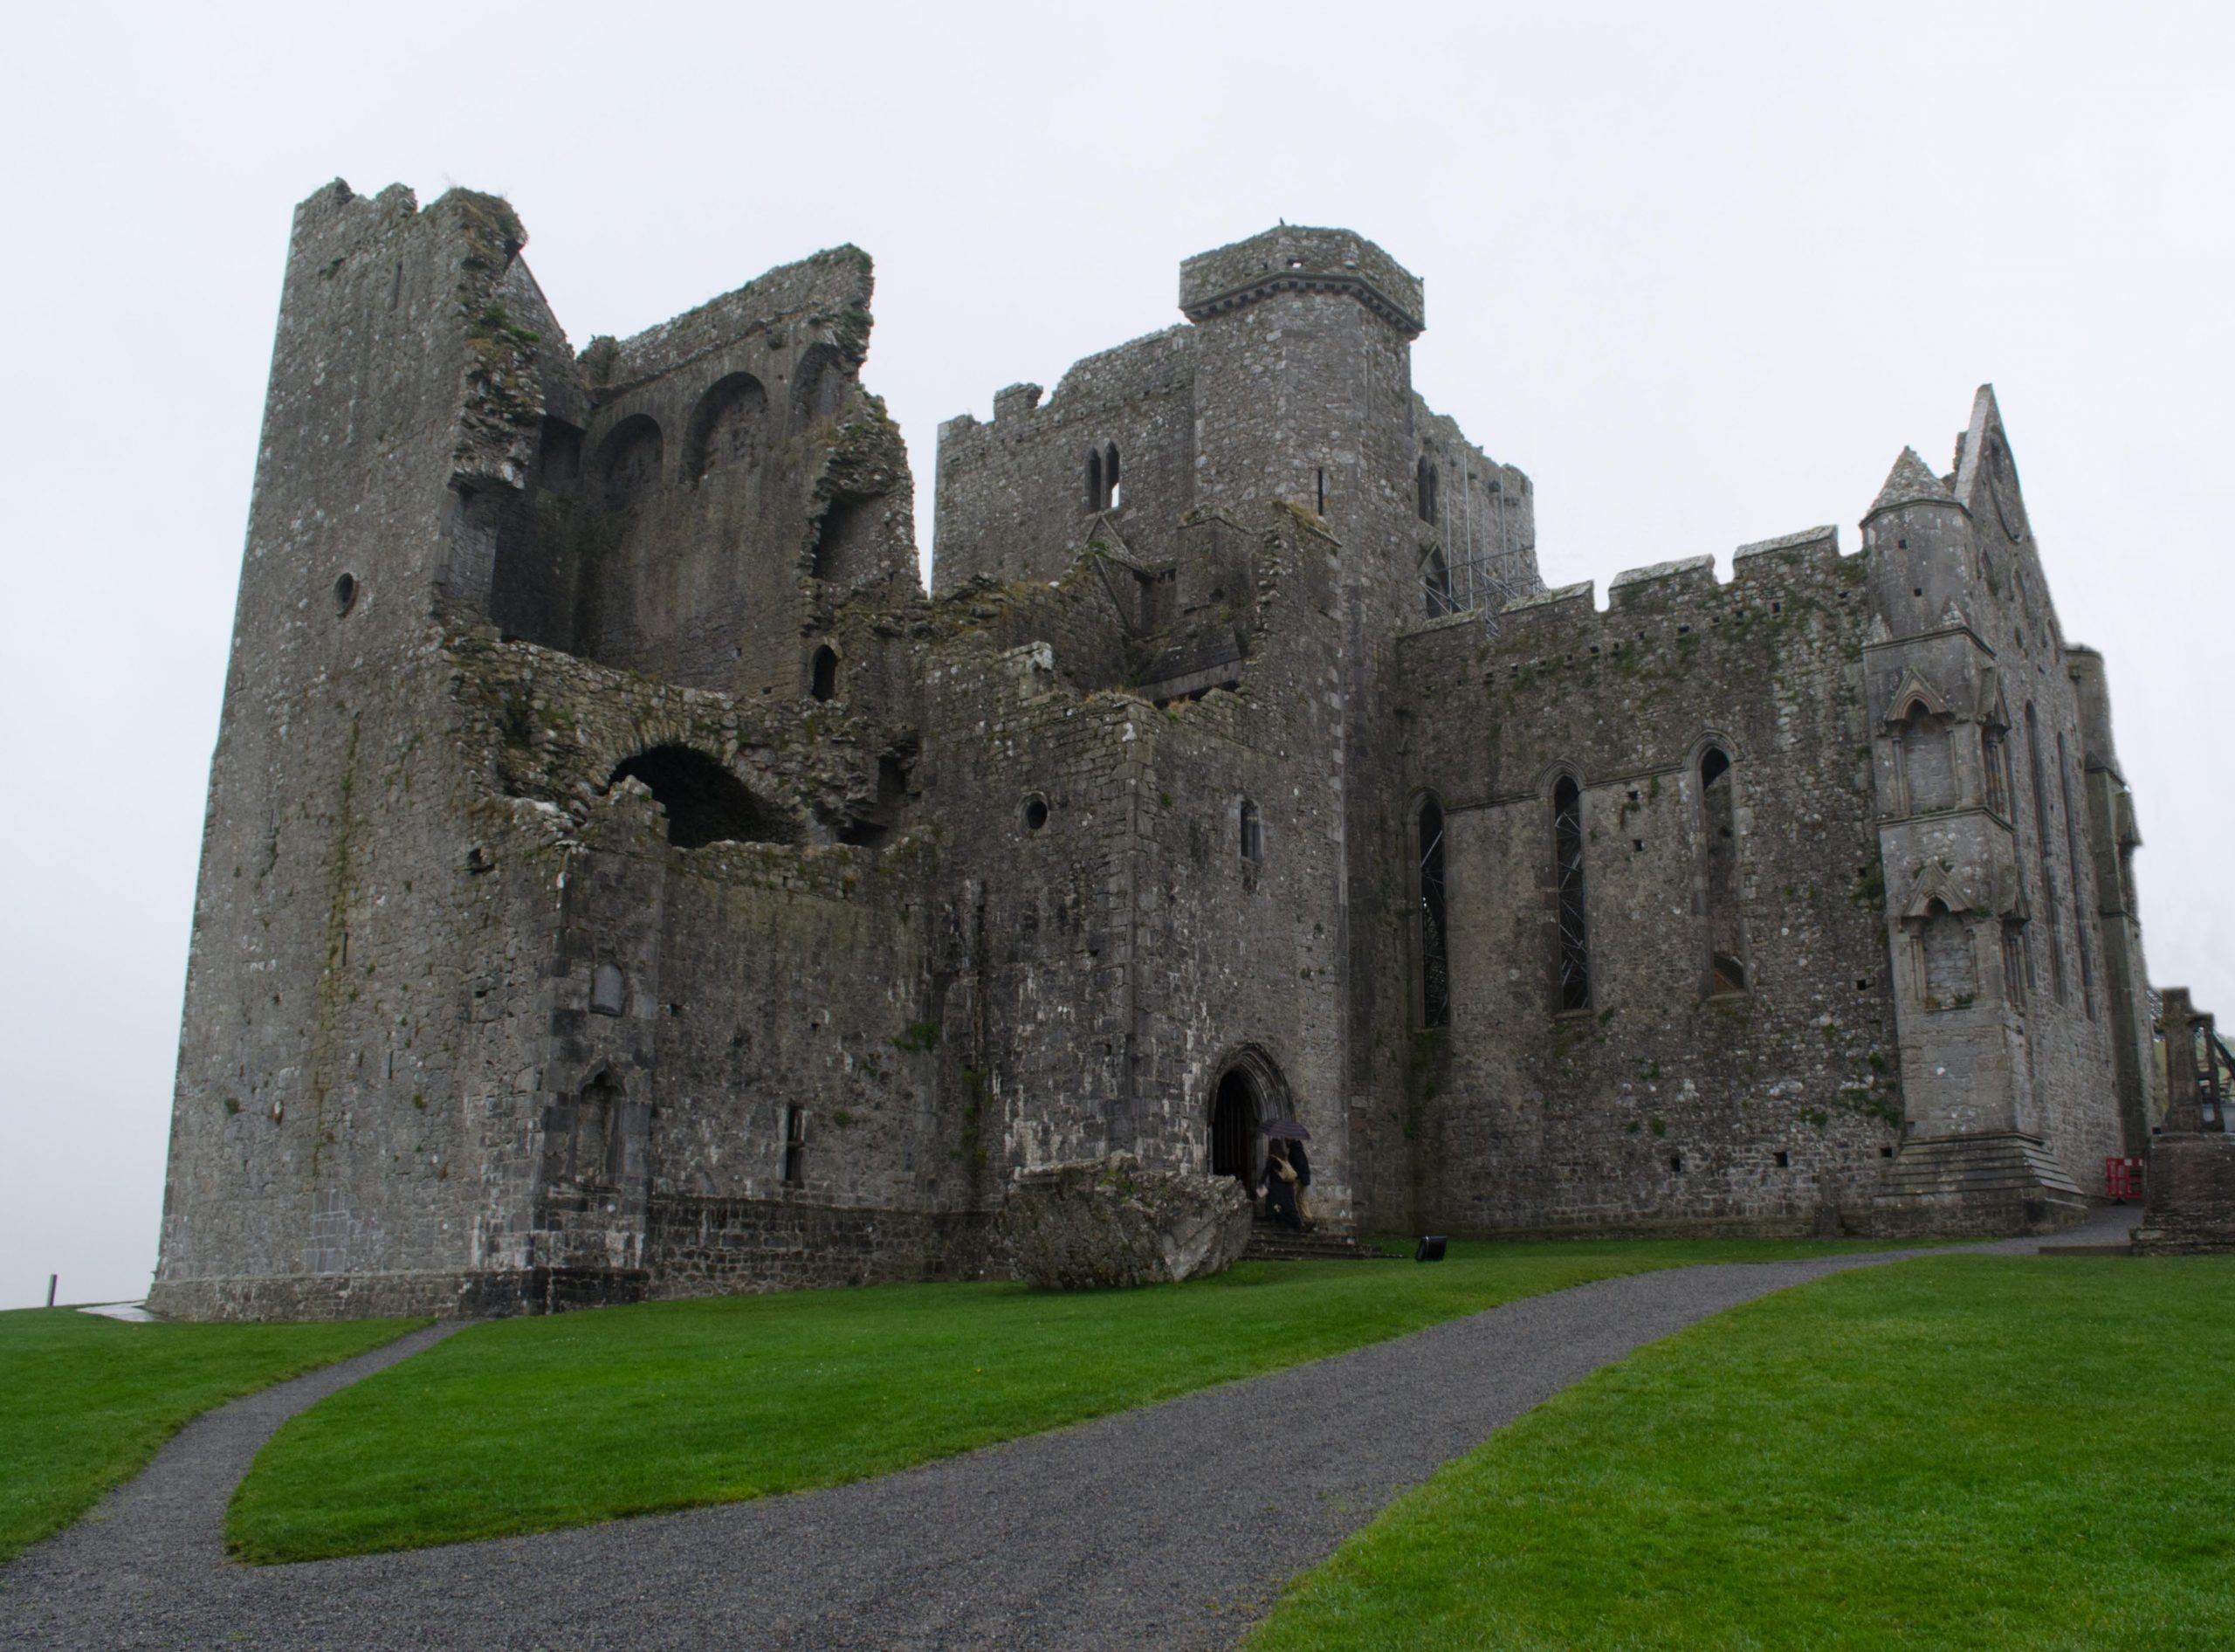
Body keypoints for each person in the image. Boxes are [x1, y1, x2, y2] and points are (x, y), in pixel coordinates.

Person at [1261, 1139, 1302, 1229]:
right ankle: (1296, 1223)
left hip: (1276, 1186)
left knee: (1273, 1204)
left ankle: (1274, 1220)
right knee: (1289, 1206)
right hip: (1288, 1187)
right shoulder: (1283, 1158)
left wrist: (1261, 1184)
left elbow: (1266, 1172)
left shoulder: (1272, 1158)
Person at [1289, 1136, 1313, 1230]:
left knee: (1295, 1198)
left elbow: (1298, 1165)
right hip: (1303, 1178)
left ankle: (1301, 1220)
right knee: (1301, 1199)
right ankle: (1307, 1220)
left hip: (1299, 1179)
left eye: (1287, 1138)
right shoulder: (1298, 1149)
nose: (1286, 1140)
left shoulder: (1296, 1150)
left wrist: (1295, 1175)